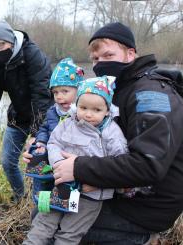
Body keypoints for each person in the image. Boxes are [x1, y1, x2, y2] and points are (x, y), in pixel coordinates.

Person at [52, 22, 183, 244]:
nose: (100, 63)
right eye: (95, 59)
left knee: (58, 229)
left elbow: (147, 164)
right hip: (118, 189)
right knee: (46, 211)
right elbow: (90, 135)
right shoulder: (116, 89)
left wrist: (79, 168)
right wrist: (45, 148)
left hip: (145, 206)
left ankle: (143, 238)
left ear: (130, 54)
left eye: (108, 55)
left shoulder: (150, 95)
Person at [24, 76, 128, 245]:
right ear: (76, 105)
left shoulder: (112, 134)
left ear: (107, 110)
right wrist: (57, 163)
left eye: (96, 110)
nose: (88, 114)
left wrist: (100, 183)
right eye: (83, 107)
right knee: (42, 224)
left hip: (91, 194)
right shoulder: (68, 123)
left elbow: (120, 164)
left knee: (69, 233)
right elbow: (54, 142)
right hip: (61, 186)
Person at [0, 20, 53, 201]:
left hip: (43, 119)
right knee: (8, 162)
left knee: (40, 165)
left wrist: (37, 132)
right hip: (17, 116)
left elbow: (42, 96)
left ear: (11, 42)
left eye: (0, 45)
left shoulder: (33, 55)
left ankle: (39, 203)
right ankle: (20, 197)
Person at [25, 58, 84, 219]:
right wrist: (41, 141)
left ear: (78, 90)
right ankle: (41, 212)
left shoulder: (83, 113)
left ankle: (69, 216)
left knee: (69, 192)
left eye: (65, 91)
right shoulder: (53, 111)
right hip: (50, 160)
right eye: (56, 92)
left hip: (70, 162)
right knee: (44, 185)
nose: (59, 97)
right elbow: (44, 128)